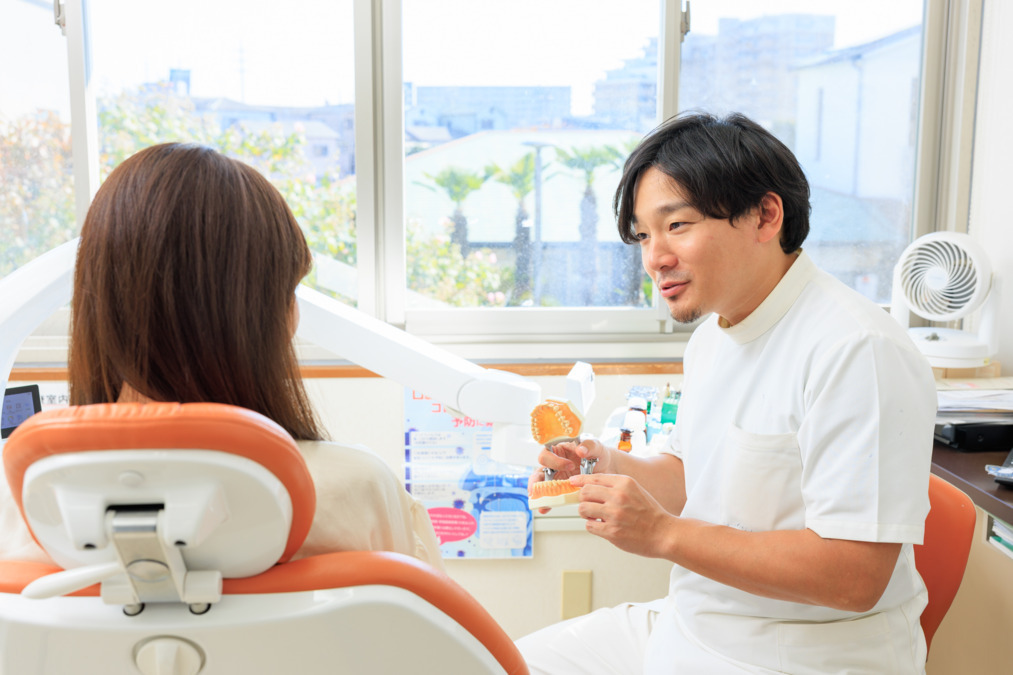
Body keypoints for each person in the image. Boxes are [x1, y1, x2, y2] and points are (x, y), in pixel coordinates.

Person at [517, 112, 937, 674]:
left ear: (765, 215)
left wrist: (662, 534)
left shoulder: (857, 349)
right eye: (644, 235)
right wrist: (603, 463)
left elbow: (855, 575)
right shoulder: (714, 334)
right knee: (488, 662)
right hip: (693, 621)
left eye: (677, 225)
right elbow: (697, 479)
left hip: (801, 652)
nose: (654, 257)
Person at [0, 142, 443, 570]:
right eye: (289, 291)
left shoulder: (22, 509)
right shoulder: (358, 489)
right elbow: (432, 643)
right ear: (267, 319)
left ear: (98, 311)